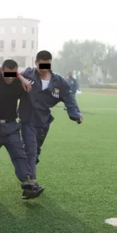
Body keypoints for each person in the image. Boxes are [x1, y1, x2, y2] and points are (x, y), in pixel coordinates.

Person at [0, 60, 43, 199]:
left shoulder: (19, 84)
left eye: (12, 74)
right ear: (2, 70)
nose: (9, 78)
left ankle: (28, 184)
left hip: (11, 127)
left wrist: (21, 79)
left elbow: (35, 80)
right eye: (6, 74)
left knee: (19, 155)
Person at [19, 50, 82, 182]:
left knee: (34, 152)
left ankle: (28, 168)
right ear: (36, 63)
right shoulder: (27, 74)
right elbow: (8, 72)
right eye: (41, 65)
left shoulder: (58, 81)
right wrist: (20, 78)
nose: (44, 69)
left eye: (47, 65)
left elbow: (69, 97)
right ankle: (31, 183)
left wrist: (75, 114)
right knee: (30, 150)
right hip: (27, 119)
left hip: (43, 121)